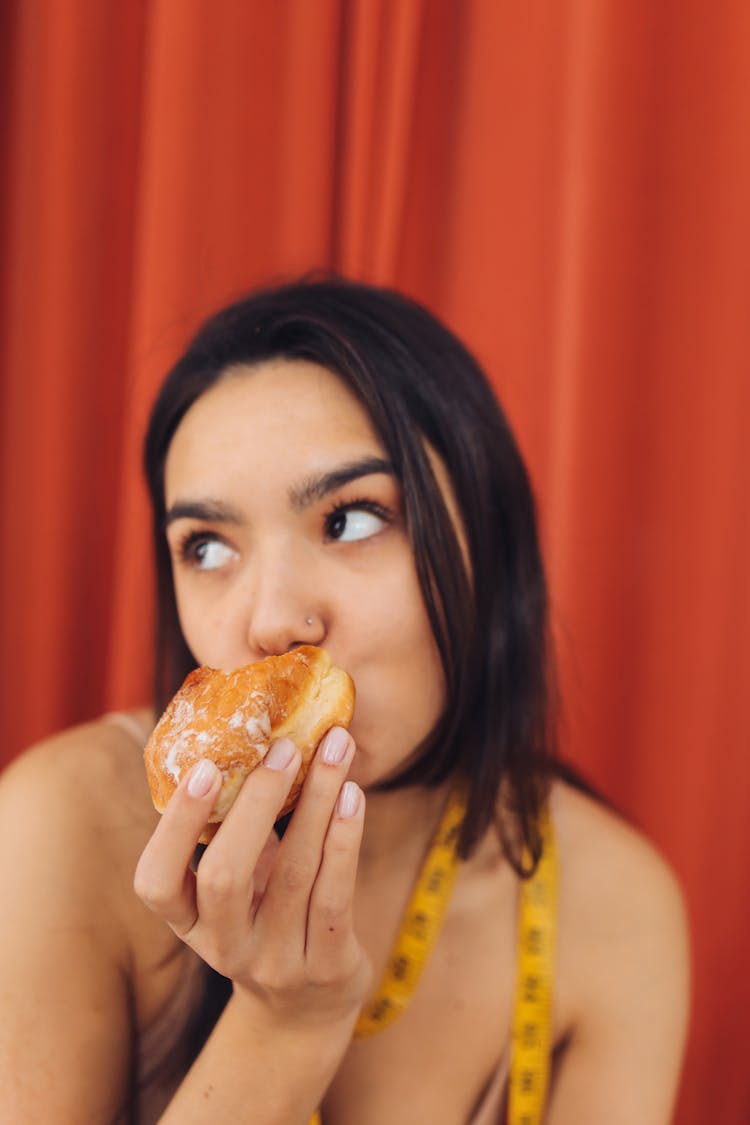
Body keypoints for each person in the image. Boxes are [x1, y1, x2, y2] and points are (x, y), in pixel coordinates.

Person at [0, 277, 689, 1124]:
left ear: (491, 546)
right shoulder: (62, 828)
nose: (272, 619)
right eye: (207, 545)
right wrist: (284, 1025)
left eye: (353, 519)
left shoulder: (611, 906)